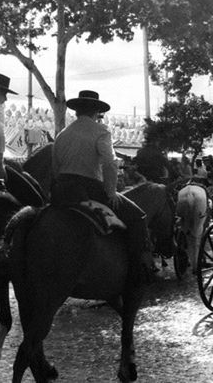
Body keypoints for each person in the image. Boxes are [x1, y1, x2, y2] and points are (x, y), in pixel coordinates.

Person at [51, 90, 153, 285]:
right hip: (90, 188)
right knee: (138, 217)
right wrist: (111, 191)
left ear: (77, 110)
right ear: (96, 112)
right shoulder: (101, 132)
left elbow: (55, 168)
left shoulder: (62, 135)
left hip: (62, 190)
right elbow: (110, 163)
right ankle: (137, 272)